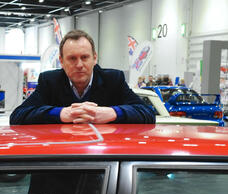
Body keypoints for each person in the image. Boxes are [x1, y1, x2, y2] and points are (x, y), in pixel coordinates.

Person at [9, 30, 155, 125]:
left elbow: (148, 114)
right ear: (61, 61)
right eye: (72, 58)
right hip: (59, 158)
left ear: (95, 58)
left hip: (104, 158)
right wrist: (60, 113)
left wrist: (112, 113)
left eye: (85, 57)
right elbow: (17, 116)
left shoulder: (113, 79)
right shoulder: (49, 81)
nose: (79, 65)